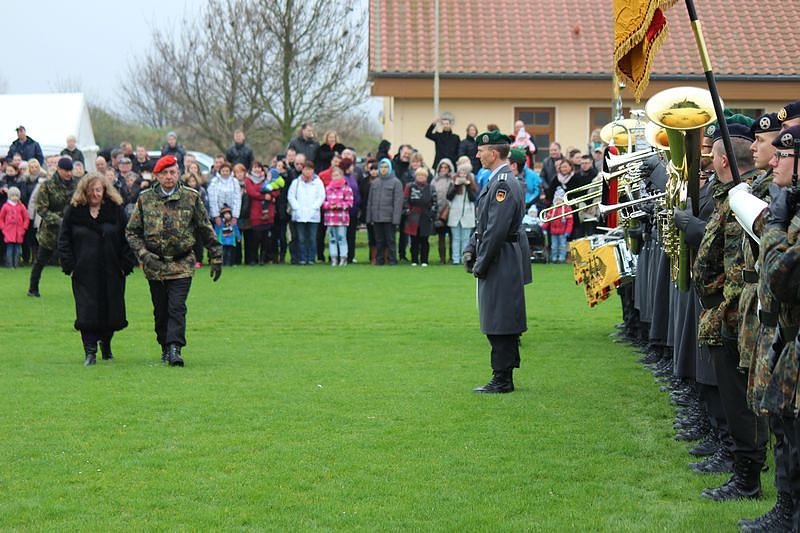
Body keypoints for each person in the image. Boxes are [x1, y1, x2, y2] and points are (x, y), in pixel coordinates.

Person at [693, 122, 767, 501]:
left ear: (723, 160)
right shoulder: (729, 196)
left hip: (735, 314)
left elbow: (737, 265)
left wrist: (725, 311)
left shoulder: (745, 198)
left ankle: (747, 479)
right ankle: (743, 469)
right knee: (733, 399)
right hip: (726, 311)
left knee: (742, 405)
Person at [125, 155, 223, 367]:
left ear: (178, 173)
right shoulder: (145, 198)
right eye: (164, 173)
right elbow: (132, 232)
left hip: (182, 263)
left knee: (177, 307)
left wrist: (216, 255)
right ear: (157, 175)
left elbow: (205, 228)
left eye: (172, 172)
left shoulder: (191, 197)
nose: (169, 177)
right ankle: (164, 346)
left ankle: (175, 348)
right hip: (155, 263)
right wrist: (143, 255)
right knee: (160, 309)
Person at [463, 130, 529, 393]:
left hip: (501, 256)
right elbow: (484, 225)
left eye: (481, 150)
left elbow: (496, 229)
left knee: (500, 319)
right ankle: (504, 374)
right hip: (499, 255)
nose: (478, 154)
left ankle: (502, 378)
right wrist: (472, 248)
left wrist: (481, 262)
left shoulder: (502, 184)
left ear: (493, 152)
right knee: (498, 316)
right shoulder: (498, 180)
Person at [58, 174, 136, 365]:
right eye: (91, 190)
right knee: (86, 311)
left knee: (111, 311)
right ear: (84, 191)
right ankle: (90, 351)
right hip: (84, 272)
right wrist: (70, 266)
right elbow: (64, 240)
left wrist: (125, 265)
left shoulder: (116, 211)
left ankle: (106, 345)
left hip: (112, 271)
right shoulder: (74, 212)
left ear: (105, 190)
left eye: (98, 190)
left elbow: (127, 238)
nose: (95, 194)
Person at [27, 157, 77, 298]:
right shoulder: (47, 185)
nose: (68, 173)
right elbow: (42, 209)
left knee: (77, 260)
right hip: (51, 232)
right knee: (41, 260)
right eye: (65, 170)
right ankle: (33, 288)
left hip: (70, 231)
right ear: (59, 170)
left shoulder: (76, 185)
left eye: (70, 170)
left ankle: (82, 288)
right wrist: (59, 220)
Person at [287, 160, 326, 265]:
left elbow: (321, 196)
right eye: (306, 169)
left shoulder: (318, 182)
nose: (308, 171)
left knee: (312, 238)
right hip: (300, 214)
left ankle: (311, 258)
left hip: (313, 215)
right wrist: (297, 208)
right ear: (302, 170)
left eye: (310, 169)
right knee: (301, 238)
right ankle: (302, 258)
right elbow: (291, 196)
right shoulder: (296, 182)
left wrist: (314, 208)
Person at [367, 158, 404, 266]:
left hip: (389, 217)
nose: (383, 169)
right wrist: (369, 217)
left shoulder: (396, 182)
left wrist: (396, 219)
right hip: (377, 217)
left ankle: (392, 260)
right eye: (382, 167)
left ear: (390, 168)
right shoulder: (375, 183)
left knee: (390, 240)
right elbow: (370, 201)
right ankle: (379, 260)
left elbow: (398, 202)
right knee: (379, 240)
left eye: (386, 167)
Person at [403, 167, 438, 266]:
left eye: (423, 175)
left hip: (426, 216)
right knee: (414, 240)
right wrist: (408, 211)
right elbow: (405, 200)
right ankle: (414, 260)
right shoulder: (410, 186)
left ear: (426, 177)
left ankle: (424, 260)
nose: (421, 177)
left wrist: (432, 214)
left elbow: (434, 202)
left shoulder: (431, 188)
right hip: (413, 216)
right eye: (419, 175)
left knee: (424, 240)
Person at [322, 165, 354, 266]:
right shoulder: (327, 189)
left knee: (341, 238)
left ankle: (343, 257)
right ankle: (333, 257)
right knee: (332, 239)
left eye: (337, 175)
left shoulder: (347, 188)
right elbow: (323, 202)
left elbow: (349, 203)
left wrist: (339, 205)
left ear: (341, 176)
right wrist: (330, 205)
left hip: (341, 218)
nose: (335, 177)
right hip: (330, 218)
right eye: (334, 175)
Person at [446, 163, 477, 265]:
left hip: (467, 214)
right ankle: (455, 259)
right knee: (456, 238)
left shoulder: (471, 184)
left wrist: (467, 186)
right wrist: (456, 186)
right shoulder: (453, 182)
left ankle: (465, 258)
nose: (462, 175)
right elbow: (449, 196)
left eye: (464, 172)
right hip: (455, 213)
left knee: (465, 238)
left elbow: (473, 198)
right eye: (461, 172)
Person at [540, 190, 573, 263]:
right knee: (554, 246)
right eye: (557, 200)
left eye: (560, 200)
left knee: (562, 246)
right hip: (553, 231)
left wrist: (568, 231)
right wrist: (543, 227)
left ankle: (561, 258)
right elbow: (548, 219)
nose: (558, 202)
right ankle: (554, 258)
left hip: (563, 231)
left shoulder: (567, 209)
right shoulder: (552, 209)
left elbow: (570, 222)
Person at [432, 158, 454, 263]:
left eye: (446, 167)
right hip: (438, 211)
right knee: (441, 237)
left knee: (452, 236)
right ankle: (442, 258)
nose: (443, 169)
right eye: (442, 167)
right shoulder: (434, 180)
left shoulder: (452, 179)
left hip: (451, 211)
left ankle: (452, 257)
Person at [0, 187, 29, 267]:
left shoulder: (21, 206)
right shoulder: (5, 206)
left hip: (19, 231)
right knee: (9, 249)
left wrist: (24, 227)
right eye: (12, 195)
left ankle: (16, 264)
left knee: (17, 249)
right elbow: (1, 218)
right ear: (9, 196)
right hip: (8, 231)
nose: (14, 197)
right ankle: (10, 264)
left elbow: (26, 217)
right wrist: (3, 228)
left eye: (16, 195)